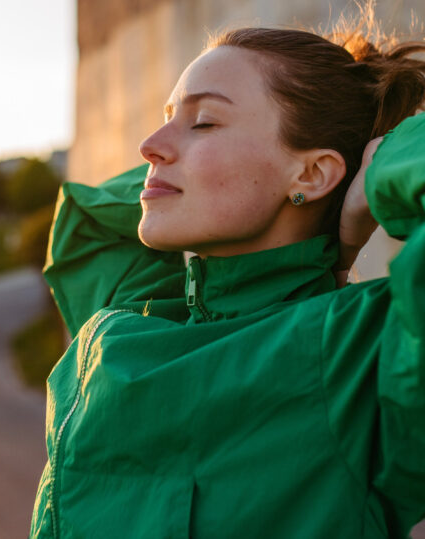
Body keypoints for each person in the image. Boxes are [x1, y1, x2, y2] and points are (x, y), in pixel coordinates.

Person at [29, 15, 425, 539]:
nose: (150, 144)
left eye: (205, 122)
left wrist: (378, 177)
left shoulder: (356, 351)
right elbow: (87, 224)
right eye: (167, 116)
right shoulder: (124, 323)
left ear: (311, 173)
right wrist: (335, 249)